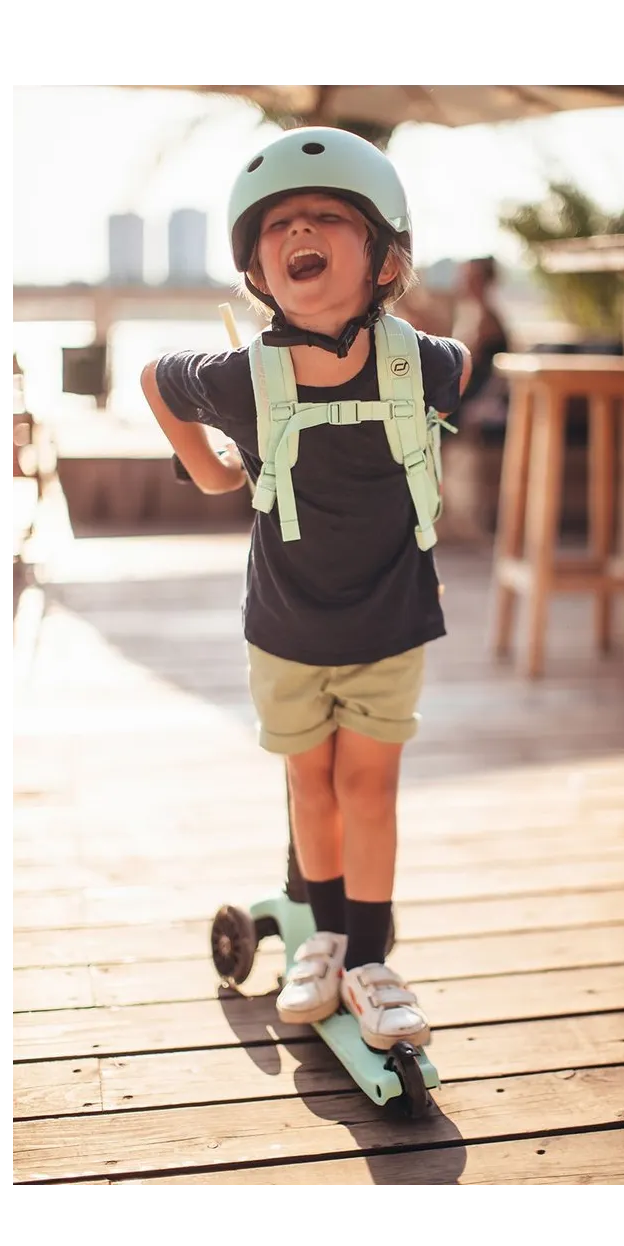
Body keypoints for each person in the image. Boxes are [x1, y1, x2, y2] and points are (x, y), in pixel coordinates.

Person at [141, 127, 471, 1052]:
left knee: (369, 788)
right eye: (279, 223)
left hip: (389, 620)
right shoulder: (240, 378)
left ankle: (368, 957)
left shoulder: (420, 364)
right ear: (258, 269)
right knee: (311, 786)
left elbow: (461, 364)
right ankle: (322, 941)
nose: (300, 231)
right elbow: (156, 379)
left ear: (385, 260)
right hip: (285, 628)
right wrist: (210, 470)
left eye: (328, 217)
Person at [451, 256, 511, 435]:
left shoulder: (487, 319)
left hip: (483, 396)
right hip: (469, 392)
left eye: (471, 277)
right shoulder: (470, 313)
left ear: (484, 282)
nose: (464, 282)